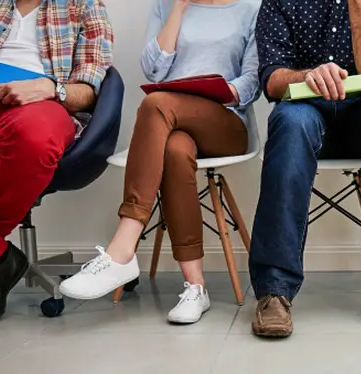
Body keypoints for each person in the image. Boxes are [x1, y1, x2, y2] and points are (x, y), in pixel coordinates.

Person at [60, 0, 259, 325]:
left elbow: (253, 79)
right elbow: (153, 69)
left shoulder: (250, 9)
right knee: (175, 150)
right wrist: (178, 8)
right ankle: (196, 287)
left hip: (225, 121)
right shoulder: (165, 7)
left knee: (155, 104)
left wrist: (219, 92)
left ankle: (123, 246)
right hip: (172, 124)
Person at [0, 0, 113, 327]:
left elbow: (89, 90)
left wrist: (51, 87)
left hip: (42, 102)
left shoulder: (84, 5)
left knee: (34, 139)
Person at [250, 0, 361, 338]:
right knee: (287, 118)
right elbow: (271, 79)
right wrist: (307, 76)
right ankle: (274, 289)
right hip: (307, 112)